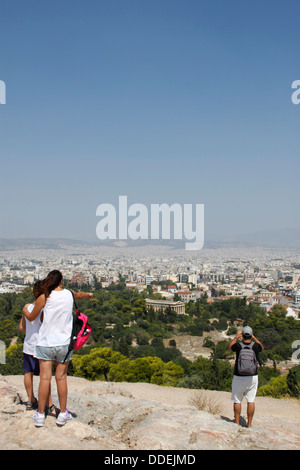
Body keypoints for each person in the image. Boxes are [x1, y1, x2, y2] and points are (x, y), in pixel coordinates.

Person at [22, 270, 93, 428]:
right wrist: (89, 294)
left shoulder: (45, 297)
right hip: (63, 344)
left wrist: (25, 310)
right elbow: (78, 294)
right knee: (61, 378)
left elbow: (32, 317)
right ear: (61, 281)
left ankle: (40, 415)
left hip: (46, 343)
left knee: (44, 379)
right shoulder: (68, 294)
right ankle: (62, 414)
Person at [19, 280, 56, 416]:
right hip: (40, 346)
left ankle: (30, 400)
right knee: (45, 377)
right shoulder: (44, 310)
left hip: (28, 345)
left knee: (27, 373)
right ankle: (48, 403)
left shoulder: (27, 307)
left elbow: (21, 328)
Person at [229, 325, 263, 427]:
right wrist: (254, 338)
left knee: (237, 400)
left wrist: (236, 337)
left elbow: (231, 347)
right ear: (251, 335)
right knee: (251, 400)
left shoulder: (239, 346)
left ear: (242, 335)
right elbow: (261, 347)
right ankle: (249, 424)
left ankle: (237, 423)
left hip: (239, 375)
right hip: (252, 376)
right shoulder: (255, 346)